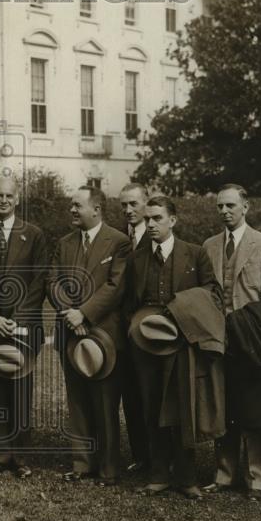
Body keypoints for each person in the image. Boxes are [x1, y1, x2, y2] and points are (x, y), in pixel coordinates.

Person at [122, 196, 222, 498]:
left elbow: (213, 292)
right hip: (145, 343)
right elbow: (128, 301)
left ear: (172, 221)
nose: (150, 224)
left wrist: (179, 311)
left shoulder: (195, 253)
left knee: (183, 407)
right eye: (147, 219)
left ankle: (186, 477)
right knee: (151, 406)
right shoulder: (136, 259)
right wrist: (136, 326)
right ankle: (158, 474)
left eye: (157, 218)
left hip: (181, 340)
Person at [202, 184, 261, 499]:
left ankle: (257, 479)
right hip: (218, 342)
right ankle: (223, 475)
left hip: (251, 342)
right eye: (220, 206)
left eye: (231, 206)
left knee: (254, 413)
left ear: (246, 207)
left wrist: (246, 328)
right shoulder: (209, 245)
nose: (225, 211)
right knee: (223, 410)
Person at [46, 186, 131, 485]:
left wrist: (84, 314)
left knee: (105, 403)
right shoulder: (64, 242)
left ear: (96, 209)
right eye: (71, 205)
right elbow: (53, 281)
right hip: (70, 334)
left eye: (77, 205)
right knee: (78, 401)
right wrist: (70, 314)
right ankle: (82, 464)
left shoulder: (119, 242)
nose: (72, 210)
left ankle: (108, 468)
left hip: (105, 336)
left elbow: (115, 286)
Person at [0, 176, 48, 478]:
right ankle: (2, 454)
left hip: (22, 327)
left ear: (17, 199)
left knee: (21, 391)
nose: (3, 201)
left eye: (8, 196)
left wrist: (17, 320)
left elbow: (39, 280)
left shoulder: (34, 234)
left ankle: (22, 456)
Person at [114, 182, 151, 472]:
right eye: (124, 205)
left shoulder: (158, 235)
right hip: (120, 330)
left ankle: (160, 457)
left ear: (146, 203)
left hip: (150, 329)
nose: (128, 210)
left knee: (153, 394)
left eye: (134, 204)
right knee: (130, 395)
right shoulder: (118, 238)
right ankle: (140, 456)